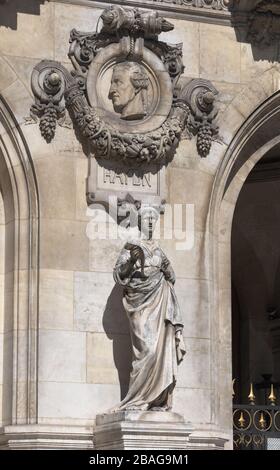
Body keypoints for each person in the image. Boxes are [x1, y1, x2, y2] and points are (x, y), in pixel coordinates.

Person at [112, 206, 186, 411]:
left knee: (160, 349)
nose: (151, 222)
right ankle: (138, 397)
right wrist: (133, 261)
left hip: (159, 300)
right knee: (146, 350)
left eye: (154, 219)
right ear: (140, 222)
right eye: (147, 219)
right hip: (139, 301)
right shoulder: (131, 247)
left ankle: (157, 398)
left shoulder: (159, 251)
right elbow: (119, 275)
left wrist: (166, 270)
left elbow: (172, 275)